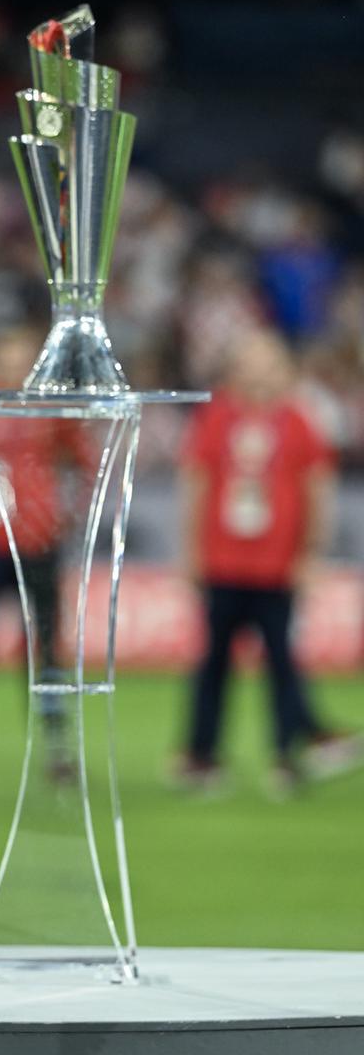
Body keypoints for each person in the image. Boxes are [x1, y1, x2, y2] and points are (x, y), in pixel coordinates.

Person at [177, 328, 360, 792]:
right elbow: (196, 483)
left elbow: (317, 490)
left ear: (285, 369)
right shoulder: (216, 416)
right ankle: (201, 755)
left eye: (269, 362)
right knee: (213, 663)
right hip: (222, 563)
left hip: (277, 567)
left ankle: (286, 755)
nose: (259, 372)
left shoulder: (299, 419)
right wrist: (191, 551)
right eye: (250, 362)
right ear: (234, 369)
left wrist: (311, 553)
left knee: (281, 661)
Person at [0, 325, 91, 782]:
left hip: (39, 545)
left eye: (21, 358)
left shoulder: (49, 406)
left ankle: (55, 745)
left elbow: (83, 460)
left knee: (46, 647)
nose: (14, 366)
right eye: (6, 357)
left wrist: (68, 513)